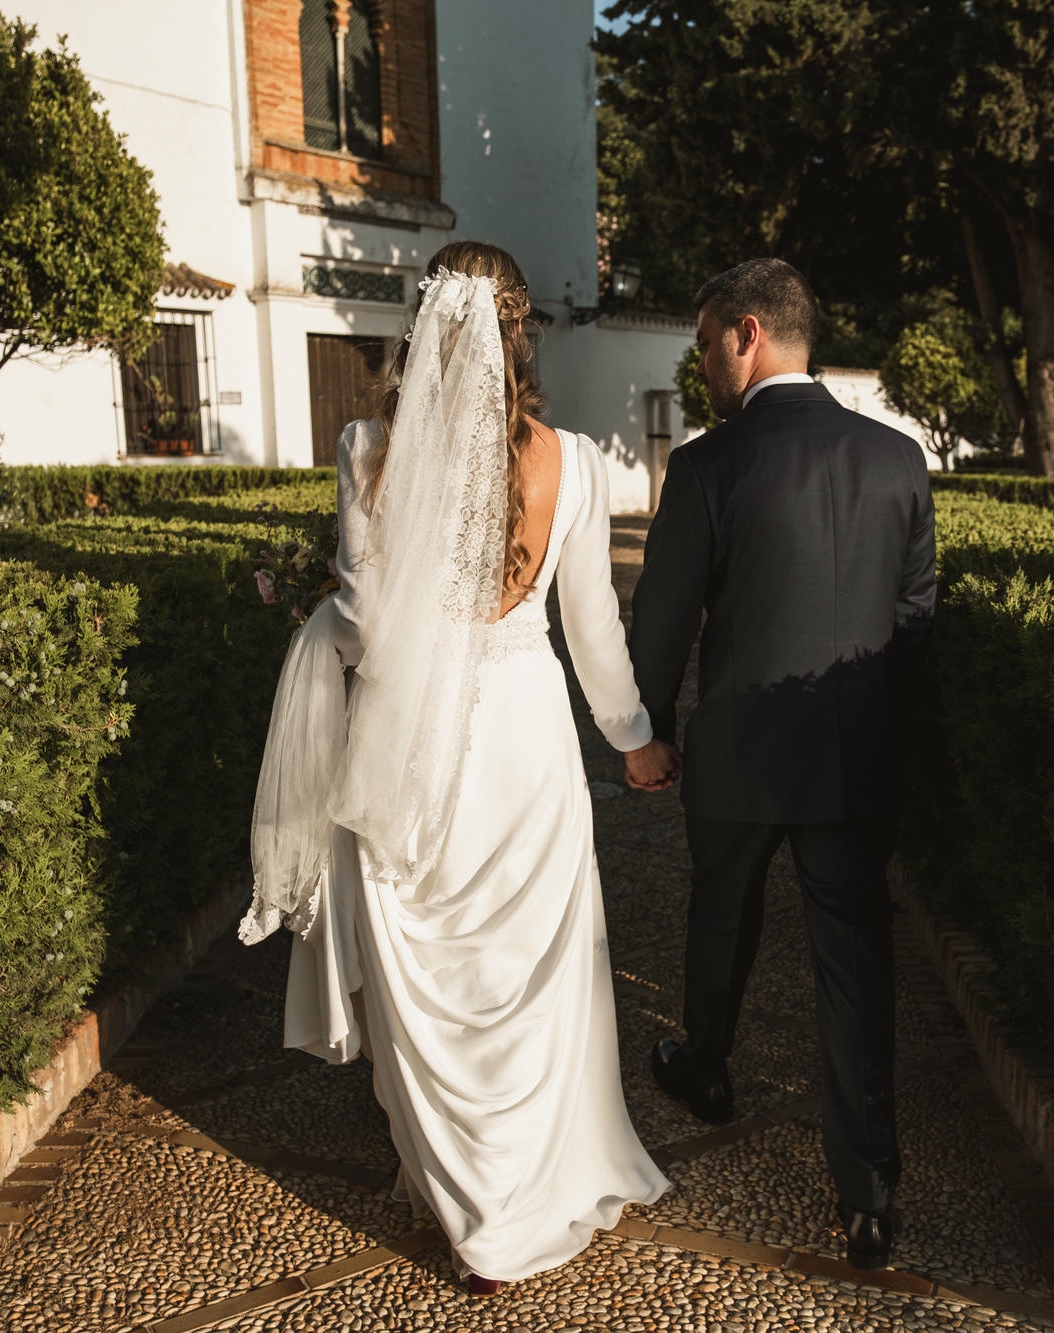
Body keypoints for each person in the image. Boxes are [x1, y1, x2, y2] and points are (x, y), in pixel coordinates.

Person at [241, 241, 678, 1296]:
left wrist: (326, 636)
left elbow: (362, 620)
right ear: (520, 331)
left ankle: (467, 1208)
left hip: (411, 740)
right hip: (525, 736)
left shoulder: (365, 449)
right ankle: (528, 1189)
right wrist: (632, 739)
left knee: (428, 968)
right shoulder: (574, 461)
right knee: (532, 966)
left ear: (423, 326)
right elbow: (591, 629)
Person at [628, 258, 936, 1272]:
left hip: (736, 754)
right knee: (854, 966)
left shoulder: (711, 466)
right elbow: (909, 622)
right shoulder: (897, 460)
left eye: (711, 339)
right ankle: (869, 1196)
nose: (706, 360)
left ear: (746, 333)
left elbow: (664, 617)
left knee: (720, 917)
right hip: (852, 761)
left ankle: (704, 1069)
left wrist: (643, 729)